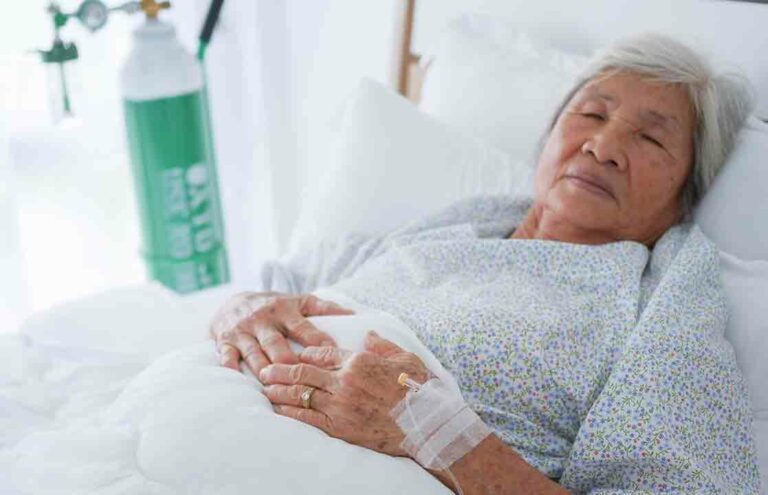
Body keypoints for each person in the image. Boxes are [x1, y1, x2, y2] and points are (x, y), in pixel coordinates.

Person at [210, 34, 761, 494]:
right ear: (547, 138)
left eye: (650, 138)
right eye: (592, 113)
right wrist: (242, 309)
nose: (603, 147)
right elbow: (287, 280)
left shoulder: (659, 307)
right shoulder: (465, 224)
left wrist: (437, 435)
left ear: (686, 195)